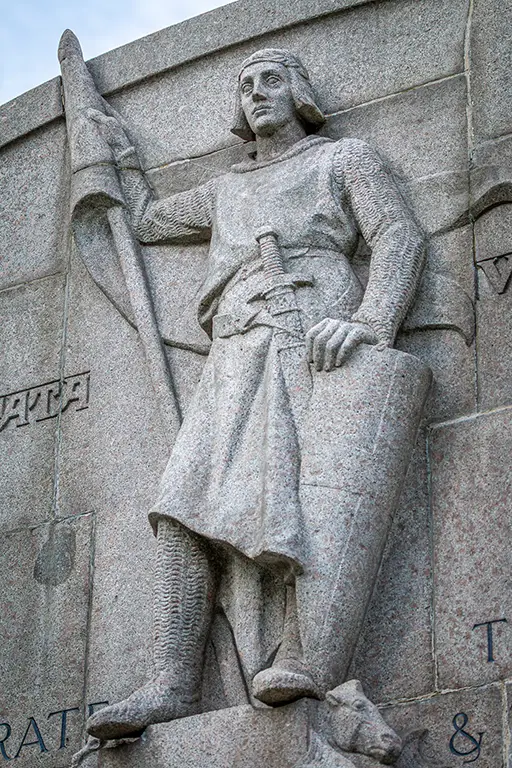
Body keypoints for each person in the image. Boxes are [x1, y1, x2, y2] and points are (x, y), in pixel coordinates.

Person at [85, 48, 426, 741]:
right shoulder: (223, 189)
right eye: (245, 85)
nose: (256, 92)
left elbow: (398, 236)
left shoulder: (343, 159)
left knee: (306, 498)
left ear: (299, 92)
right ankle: (170, 681)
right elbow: (147, 220)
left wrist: (369, 322)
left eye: (270, 79)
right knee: (180, 502)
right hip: (235, 352)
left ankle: (304, 655)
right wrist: (113, 154)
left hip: (310, 338)